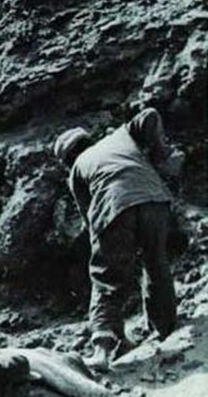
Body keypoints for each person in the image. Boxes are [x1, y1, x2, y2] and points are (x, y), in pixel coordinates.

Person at [54, 108, 181, 368]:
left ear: (68, 159)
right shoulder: (120, 136)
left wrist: (104, 255)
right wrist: (162, 154)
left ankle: (102, 350)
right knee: (156, 263)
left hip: (114, 207)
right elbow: (150, 115)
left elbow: (91, 220)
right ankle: (166, 329)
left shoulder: (77, 169)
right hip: (156, 200)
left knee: (106, 279)